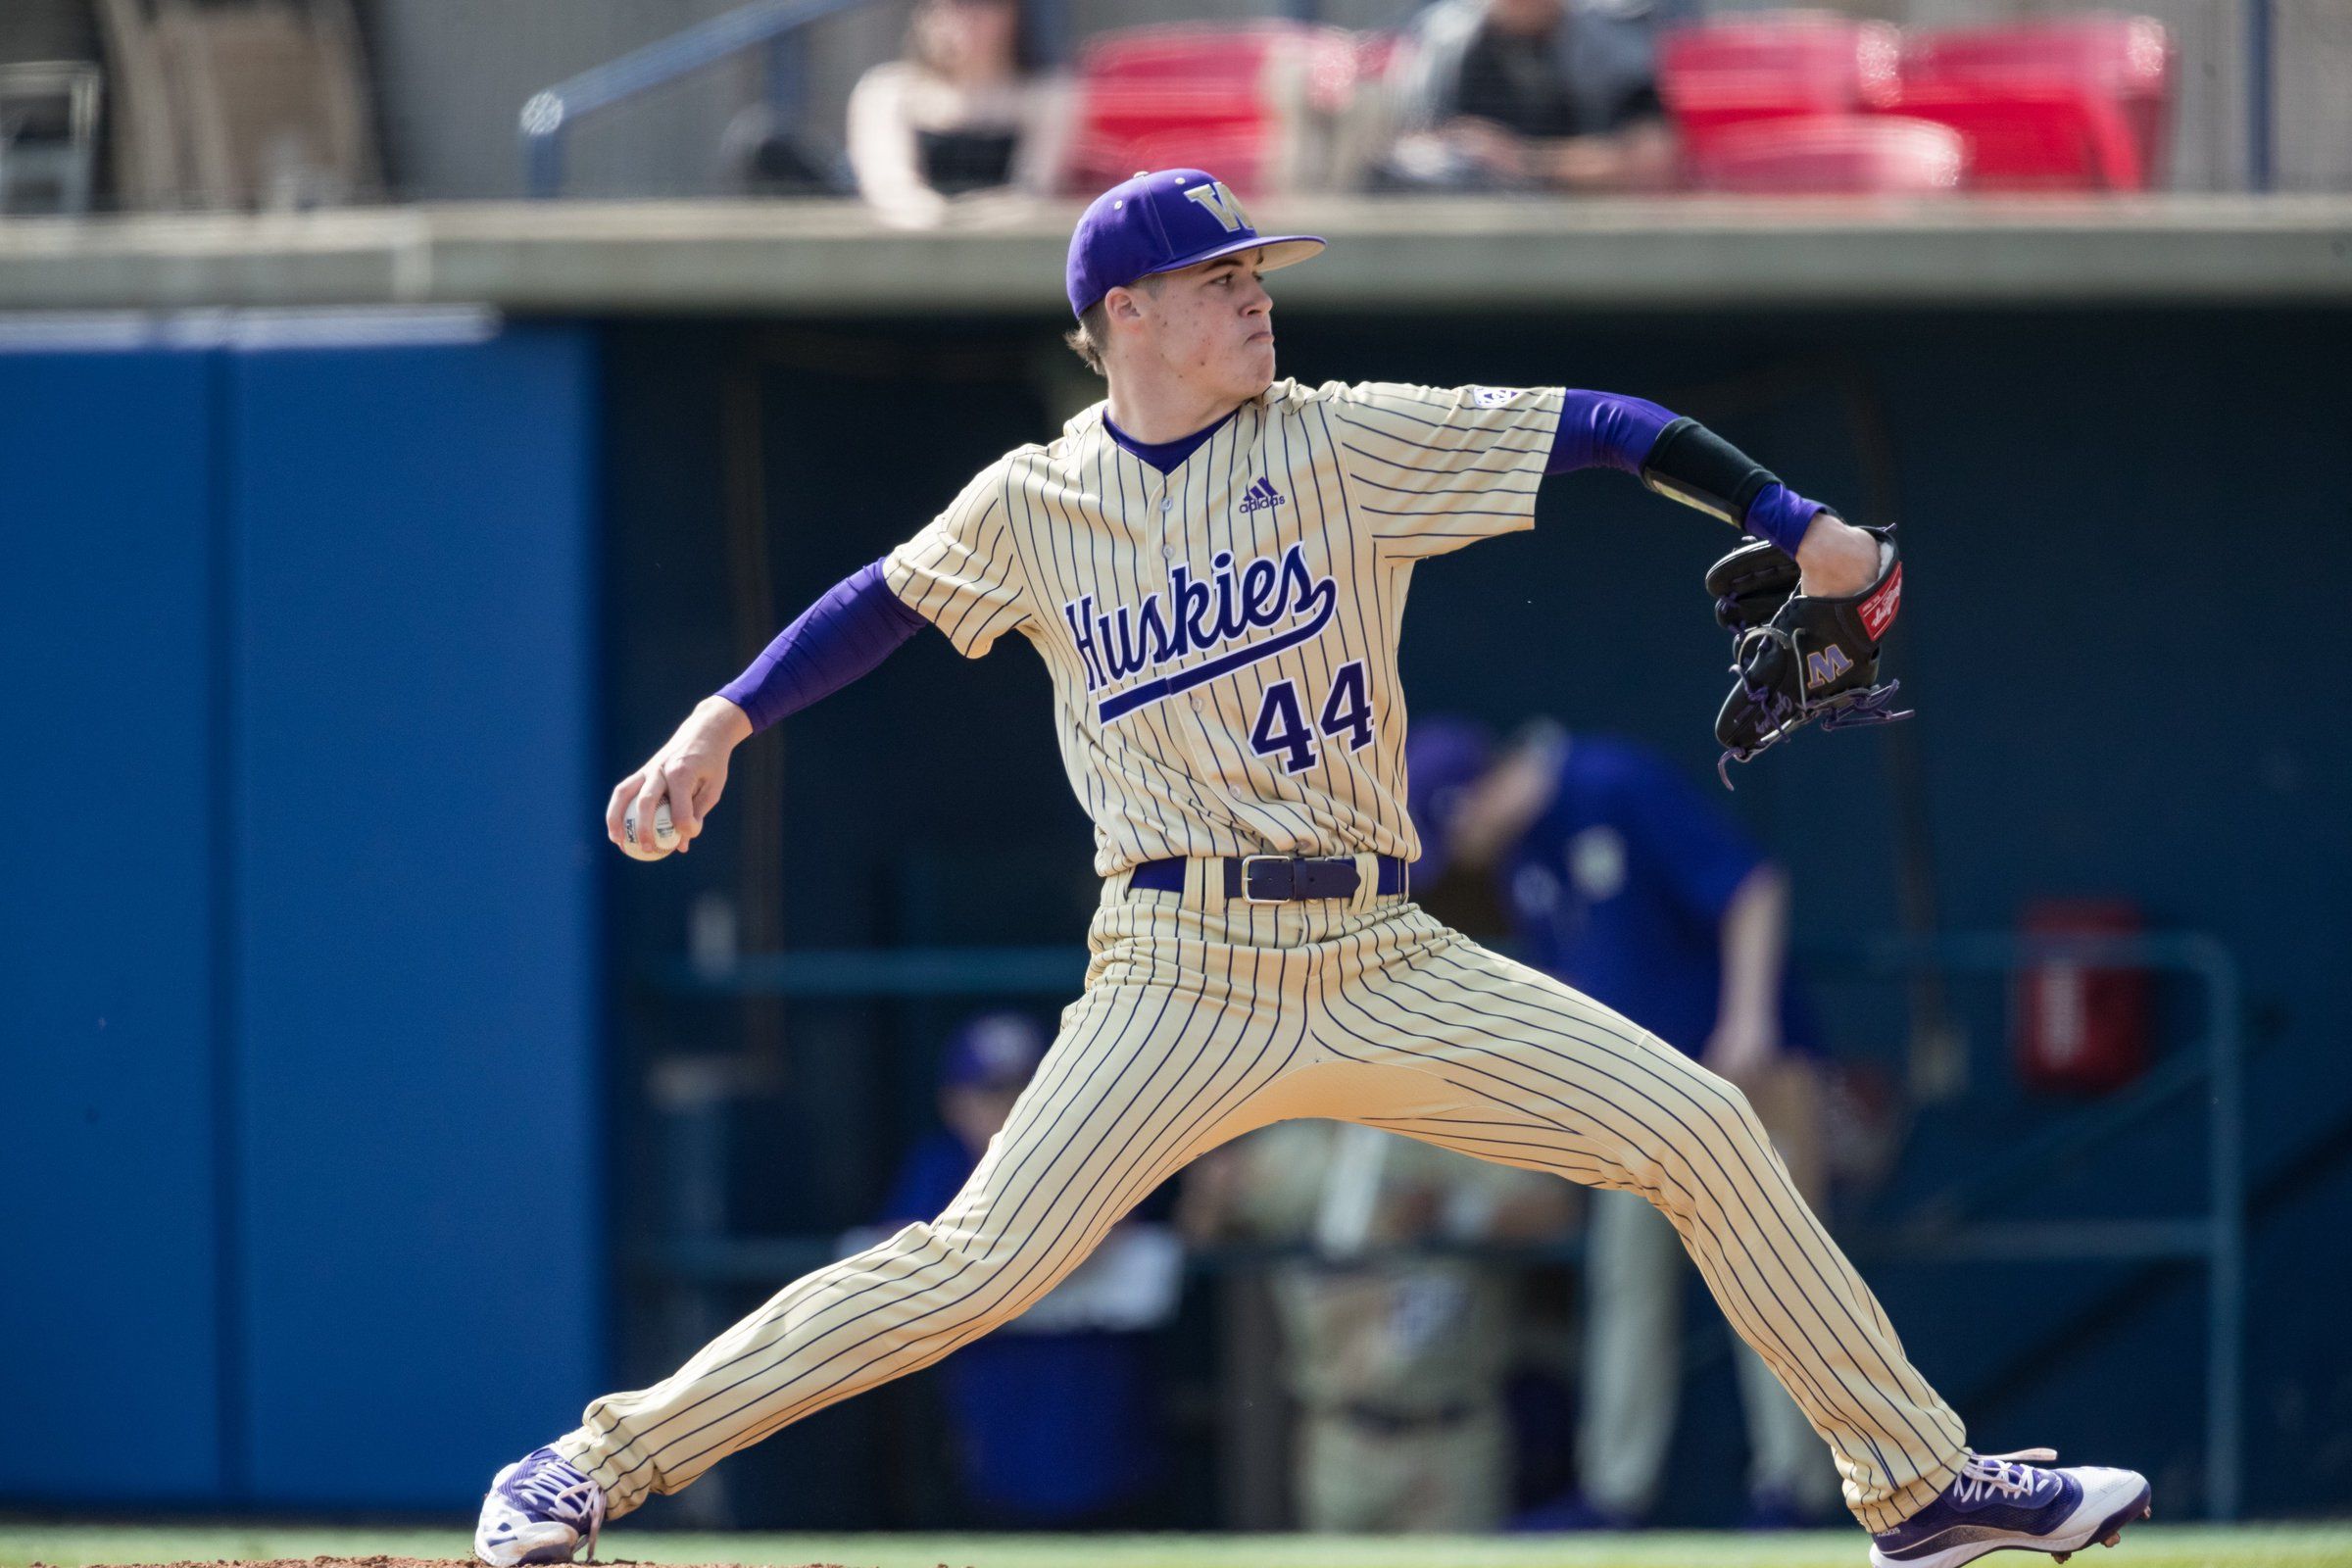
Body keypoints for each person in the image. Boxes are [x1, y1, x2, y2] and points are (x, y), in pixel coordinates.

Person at [474, 167, 2151, 1568]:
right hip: (1172, 969)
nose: (1260, 295)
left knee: (1704, 1126)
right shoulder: (1037, 503)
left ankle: (1917, 1488)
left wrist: (1796, 522)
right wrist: (718, 724)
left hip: (1380, 949)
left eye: (1260, 270)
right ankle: (591, 1468)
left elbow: (1599, 424)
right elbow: (877, 609)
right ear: (1127, 314)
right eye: (1222, 277)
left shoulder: (1338, 443)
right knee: (968, 1265)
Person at [1409, 716, 1842, 1529]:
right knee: (1625, 1284)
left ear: (1468, 797)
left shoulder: (1611, 782)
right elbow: (1574, 981)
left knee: (1775, 1286)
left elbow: (1752, 886)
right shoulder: (1525, 856)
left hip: (1741, 1083)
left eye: (1447, 830)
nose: (1455, 857)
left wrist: (1748, 1022)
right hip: (1640, 1104)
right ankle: (1616, 1495)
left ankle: (1795, 1493)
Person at [854, 1010, 1180, 1526]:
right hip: (995, 1455)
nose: (1012, 1110)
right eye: (993, 1094)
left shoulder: (1097, 1156)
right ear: (954, 1104)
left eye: (1029, 1090)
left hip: (1108, 1449)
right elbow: (888, 1258)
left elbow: (1114, 1237)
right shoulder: (940, 1166)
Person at [1181, 1119, 1572, 1532]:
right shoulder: (1296, 1146)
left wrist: (1454, 1211)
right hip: (1342, 1431)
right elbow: (1201, 1230)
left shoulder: (1464, 1124)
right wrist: (1210, 1190)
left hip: (1452, 1429)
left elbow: (1555, 1212)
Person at [1380, 0, 1682, 193]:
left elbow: (1652, 165)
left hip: (1589, 245)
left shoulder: (1608, 41)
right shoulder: (1446, 41)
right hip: (1466, 244)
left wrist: (1523, 161)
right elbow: (1400, 150)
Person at [845, 0, 1072, 228]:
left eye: (980, 5)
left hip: (1008, 249)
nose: (964, 17)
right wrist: (937, 220)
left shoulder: (1046, 96)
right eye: (950, 5)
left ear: (1013, 15)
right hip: (907, 247)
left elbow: (1033, 192)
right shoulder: (887, 91)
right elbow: (889, 187)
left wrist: (982, 218)